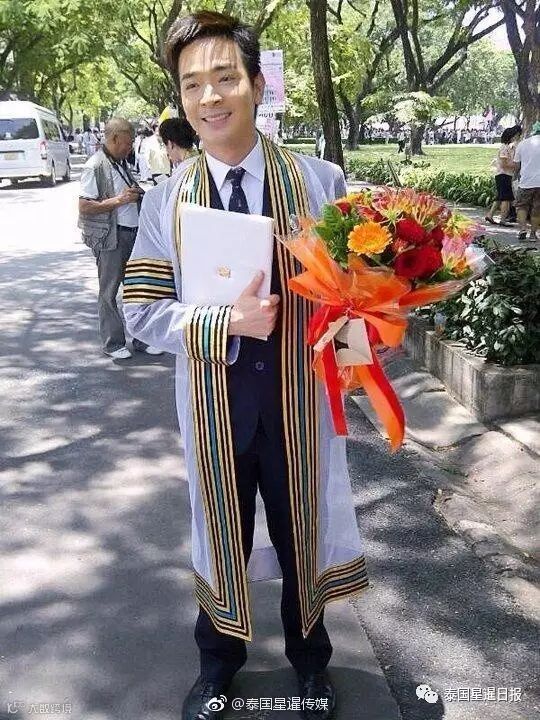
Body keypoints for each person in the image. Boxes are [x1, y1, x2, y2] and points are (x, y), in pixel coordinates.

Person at [123, 11, 369, 720]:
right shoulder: (167, 201)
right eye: (192, 83)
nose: (209, 97)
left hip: (298, 409)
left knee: (302, 541)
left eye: (225, 77)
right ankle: (217, 666)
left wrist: (364, 349)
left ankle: (311, 665)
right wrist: (222, 323)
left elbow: (355, 294)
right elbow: (140, 308)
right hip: (215, 411)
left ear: (257, 85)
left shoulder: (320, 182)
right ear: (181, 97)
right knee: (219, 536)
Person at [78, 117, 163, 359]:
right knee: (109, 292)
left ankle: (142, 339)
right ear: (115, 139)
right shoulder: (95, 165)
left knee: (138, 290)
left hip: (133, 234)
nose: (130, 147)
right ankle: (113, 343)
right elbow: (84, 206)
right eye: (127, 142)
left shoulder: (120, 162)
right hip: (111, 237)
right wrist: (120, 200)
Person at [484, 125, 521, 226]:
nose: (515, 138)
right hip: (503, 175)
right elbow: (504, 164)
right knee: (506, 198)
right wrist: (516, 165)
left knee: (500, 197)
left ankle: (490, 215)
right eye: (514, 136)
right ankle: (503, 219)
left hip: (505, 175)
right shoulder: (504, 148)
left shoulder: (509, 148)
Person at [514, 121, 540, 242]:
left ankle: (523, 228)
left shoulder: (523, 144)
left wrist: (516, 176)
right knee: (537, 209)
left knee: (521, 206)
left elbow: (516, 165)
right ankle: (533, 234)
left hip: (526, 181)